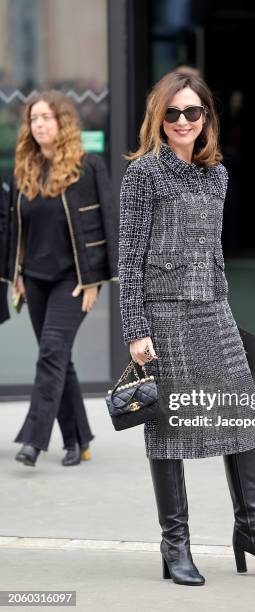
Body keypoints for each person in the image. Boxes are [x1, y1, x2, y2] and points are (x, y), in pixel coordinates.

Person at [118, 71, 255, 586]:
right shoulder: (144, 175)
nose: (182, 121)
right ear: (159, 117)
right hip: (164, 313)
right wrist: (135, 328)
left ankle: (253, 529)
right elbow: (129, 259)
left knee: (240, 417)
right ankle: (175, 544)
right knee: (169, 426)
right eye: (173, 113)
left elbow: (214, 251)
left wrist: (225, 308)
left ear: (206, 119)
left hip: (213, 309)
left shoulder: (216, 173)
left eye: (192, 113)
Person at [2, 90, 118, 467]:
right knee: (58, 358)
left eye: (46, 117)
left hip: (73, 281)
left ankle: (34, 440)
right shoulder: (24, 170)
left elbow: (107, 223)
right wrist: (15, 271)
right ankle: (78, 438)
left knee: (52, 351)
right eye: (33, 118)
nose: (38, 124)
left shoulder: (88, 166)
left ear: (62, 122)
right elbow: (14, 227)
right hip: (34, 279)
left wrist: (96, 279)